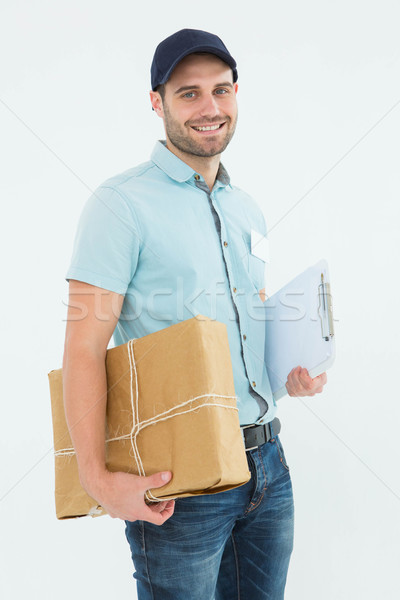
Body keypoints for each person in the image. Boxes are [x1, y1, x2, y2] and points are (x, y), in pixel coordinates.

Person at [62, 28, 327, 599]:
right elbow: (83, 350)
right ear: (156, 103)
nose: (210, 108)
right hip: (182, 479)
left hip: (268, 465)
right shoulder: (120, 205)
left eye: (222, 90)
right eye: (189, 93)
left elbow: (243, 324)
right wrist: (97, 480)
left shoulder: (245, 207)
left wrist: (289, 372)